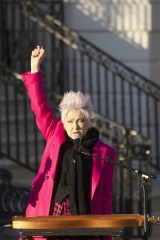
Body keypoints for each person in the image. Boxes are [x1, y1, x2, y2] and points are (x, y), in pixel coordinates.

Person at [21, 46, 116, 240]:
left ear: (89, 122)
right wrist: (35, 67)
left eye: (81, 120)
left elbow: (105, 196)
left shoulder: (105, 153)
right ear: (63, 123)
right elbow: (39, 107)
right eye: (70, 121)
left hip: (85, 223)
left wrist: (106, 235)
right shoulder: (55, 135)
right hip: (52, 217)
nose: (76, 126)